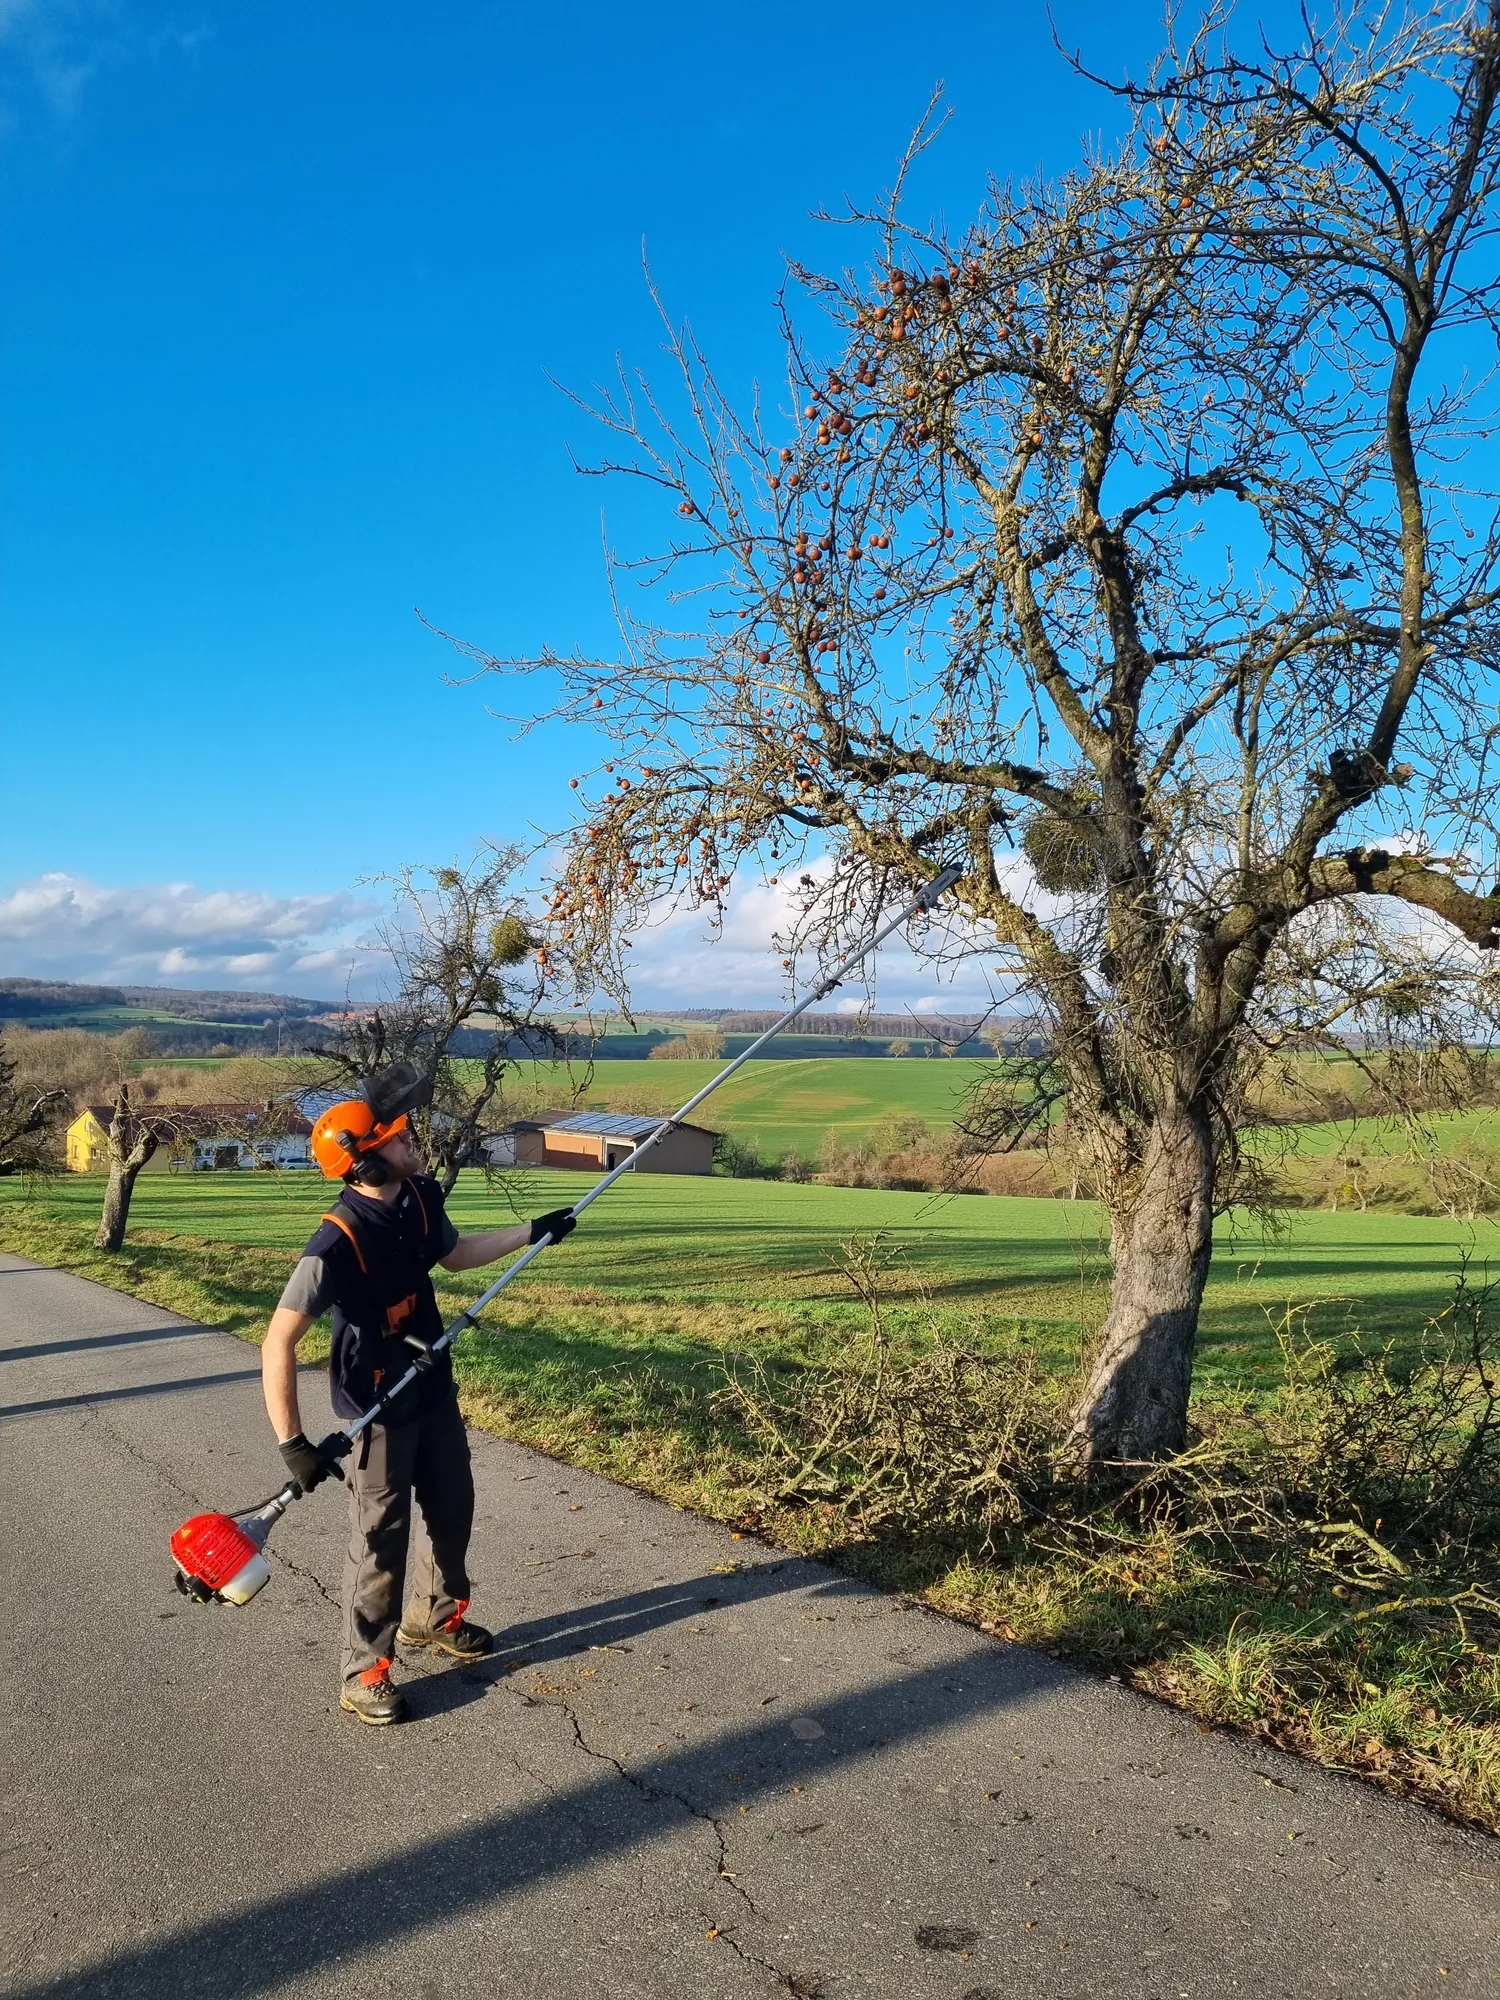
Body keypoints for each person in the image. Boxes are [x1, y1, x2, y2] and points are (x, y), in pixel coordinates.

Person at [260, 1094, 574, 1725]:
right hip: (377, 1405)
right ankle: (364, 1669)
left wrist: (532, 1231)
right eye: (396, 1138)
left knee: (454, 1507)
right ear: (366, 1163)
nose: (412, 1140)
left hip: (432, 1387)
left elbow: (454, 1254)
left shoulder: (421, 1196)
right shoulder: (334, 1243)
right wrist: (293, 1444)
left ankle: (433, 1615)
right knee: (380, 1539)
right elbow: (278, 1341)